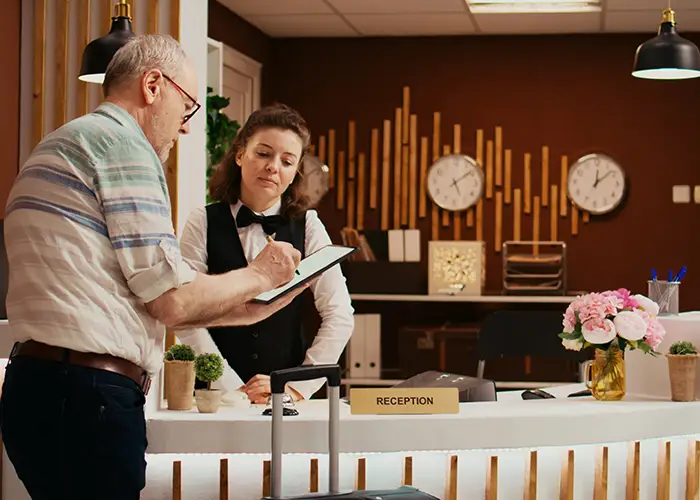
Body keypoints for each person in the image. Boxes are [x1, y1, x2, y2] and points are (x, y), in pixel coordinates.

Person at [0, 34, 305, 500]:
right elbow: (170, 300)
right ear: (152, 85)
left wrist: (244, 310)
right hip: (87, 396)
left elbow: (132, 293)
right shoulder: (123, 147)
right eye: (187, 109)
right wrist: (260, 275)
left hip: (41, 388)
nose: (185, 129)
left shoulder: (63, 142)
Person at [178, 103, 354, 404]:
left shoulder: (308, 225)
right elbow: (184, 313)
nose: (274, 166)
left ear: (294, 172)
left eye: (287, 161)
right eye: (263, 153)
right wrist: (232, 387)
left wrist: (297, 385)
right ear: (239, 155)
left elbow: (339, 313)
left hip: (287, 399)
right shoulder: (202, 221)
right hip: (213, 399)